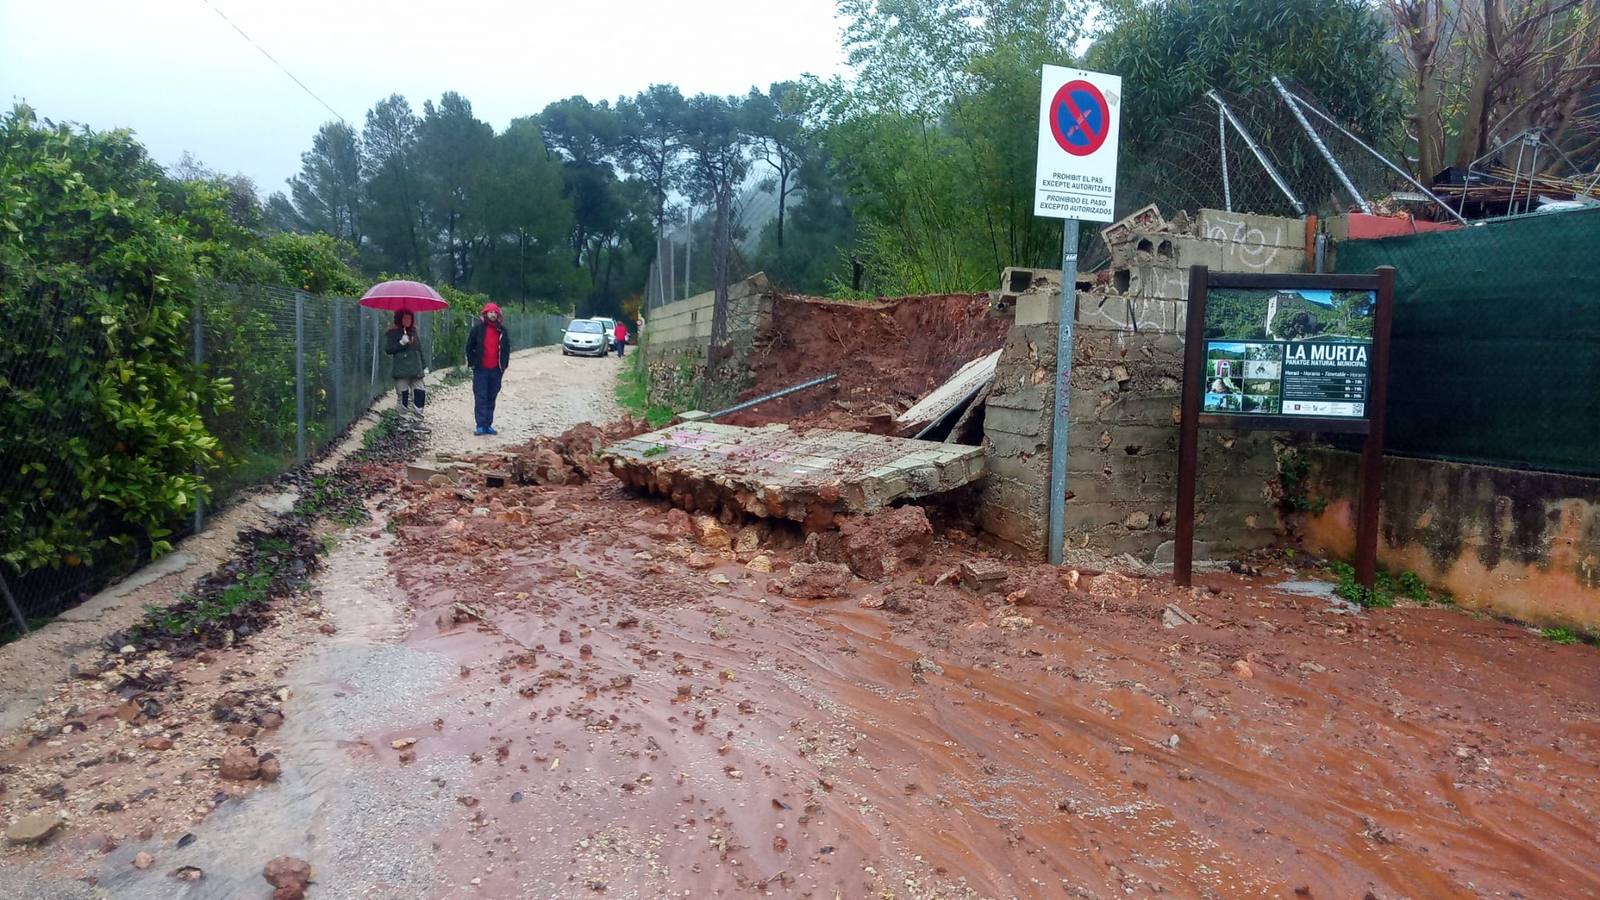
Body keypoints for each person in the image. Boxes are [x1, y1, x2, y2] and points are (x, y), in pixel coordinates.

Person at [465, 302, 510, 436]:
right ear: (485, 314)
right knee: (481, 396)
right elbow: (469, 347)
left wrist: (504, 365)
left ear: (498, 315)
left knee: (491, 397)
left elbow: (506, 349)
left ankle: (488, 424)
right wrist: (472, 362)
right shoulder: (477, 330)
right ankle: (480, 425)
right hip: (481, 369)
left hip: (496, 370)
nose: (493, 315)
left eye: (495, 312)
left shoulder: (502, 331)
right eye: (490, 312)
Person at [384, 311, 426, 418]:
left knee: (419, 392)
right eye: (405, 318)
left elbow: (419, 349)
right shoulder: (393, 332)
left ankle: (418, 418)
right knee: (403, 395)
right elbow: (389, 350)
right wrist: (401, 343)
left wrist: (424, 366)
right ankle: (402, 419)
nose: (408, 321)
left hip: (416, 369)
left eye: (409, 318)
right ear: (399, 319)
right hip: (401, 370)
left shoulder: (413, 331)